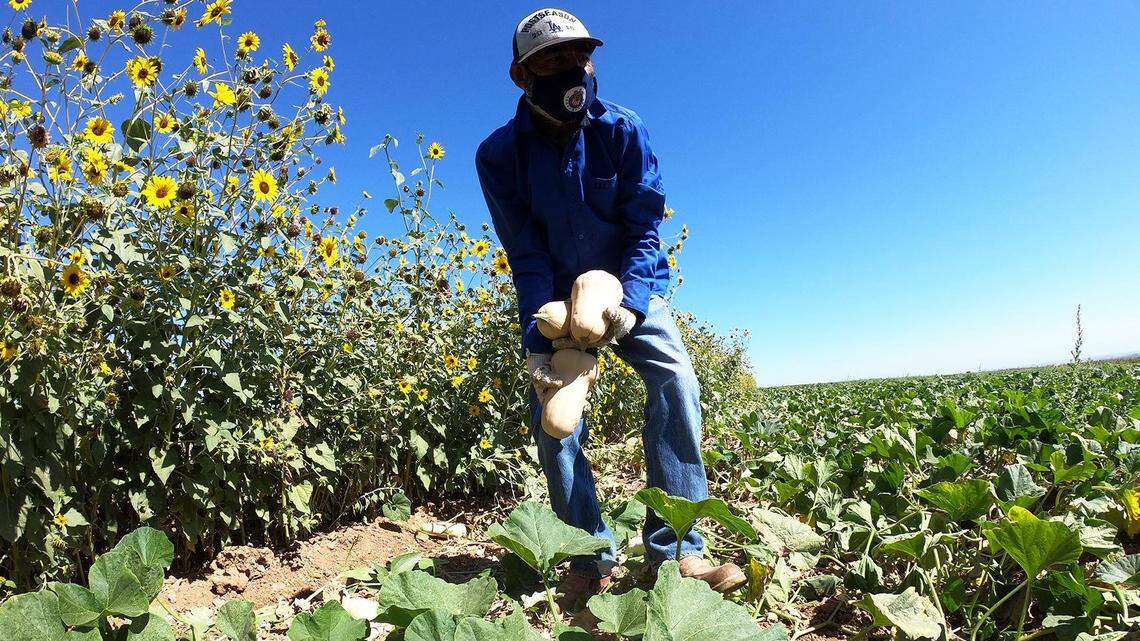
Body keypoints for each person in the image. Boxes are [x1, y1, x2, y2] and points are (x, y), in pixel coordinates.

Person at [475, 8, 746, 611]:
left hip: (624, 286)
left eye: (579, 56)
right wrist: (539, 336)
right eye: (552, 61)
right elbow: (525, 250)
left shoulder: (623, 131)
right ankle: (588, 552)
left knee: (674, 376)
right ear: (521, 76)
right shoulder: (499, 156)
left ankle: (676, 552)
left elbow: (644, 231)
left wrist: (630, 304)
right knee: (554, 417)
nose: (571, 70)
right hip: (555, 295)